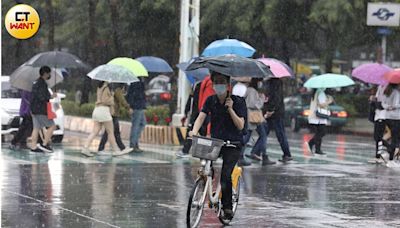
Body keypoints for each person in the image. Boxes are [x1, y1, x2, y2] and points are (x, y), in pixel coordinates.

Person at [189, 72, 247, 220]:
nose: (218, 85)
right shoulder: (211, 100)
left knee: (226, 175)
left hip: (233, 144)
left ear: (228, 85)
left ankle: (227, 208)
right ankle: (207, 186)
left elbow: (240, 125)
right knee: (206, 166)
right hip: (216, 142)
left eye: (221, 82)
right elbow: (201, 116)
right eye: (216, 82)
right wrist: (194, 131)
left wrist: (230, 109)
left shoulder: (238, 101)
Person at [81, 81, 132, 157]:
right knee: (110, 132)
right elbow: (105, 101)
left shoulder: (100, 87)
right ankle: (116, 151)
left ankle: (85, 148)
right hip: (104, 111)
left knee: (95, 132)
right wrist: (111, 98)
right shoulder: (106, 88)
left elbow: (101, 99)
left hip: (97, 110)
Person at [244, 79, 276, 165]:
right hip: (253, 115)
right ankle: (243, 155)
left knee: (261, 134)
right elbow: (252, 104)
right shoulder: (251, 90)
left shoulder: (252, 90)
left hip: (255, 116)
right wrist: (261, 99)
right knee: (258, 135)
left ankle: (262, 155)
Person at [263, 78, 293, 162]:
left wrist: (271, 110)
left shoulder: (275, 83)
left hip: (275, 113)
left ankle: (287, 154)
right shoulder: (270, 82)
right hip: (273, 112)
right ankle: (257, 152)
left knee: (278, 134)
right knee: (264, 133)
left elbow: (276, 98)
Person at [176, 81, 208, 158]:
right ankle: (185, 150)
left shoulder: (201, 85)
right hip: (194, 113)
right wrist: (186, 111)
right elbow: (190, 100)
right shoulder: (195, 85)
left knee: (201, 132)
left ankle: (186, 150)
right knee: (193, 131)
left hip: (198, 113)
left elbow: (197, 100)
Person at [30, 66, 57, 153]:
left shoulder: (35, 83)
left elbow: (35, 96)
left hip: (34, 109)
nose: (49, 75)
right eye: (49, 73)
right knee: (52, 126)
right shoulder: (42, 84)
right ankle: (44, 144)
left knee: (36, 128)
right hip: (41, 109)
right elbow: (42, 97)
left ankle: (33, 146)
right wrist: (51, 96)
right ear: (45, 73)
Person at [97, 84, 132, 153]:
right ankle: (102, 148)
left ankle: (121, 148)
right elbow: (122, 100)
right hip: (113, 113)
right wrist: (128, 108)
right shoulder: (117, 90)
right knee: (111, 132)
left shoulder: (114, 89)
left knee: (112, 132)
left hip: (113, 112)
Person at [305, 88, 333, 155]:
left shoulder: (315, 92)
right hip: (319, 116)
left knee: (319, 132)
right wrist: (329, 101)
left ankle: (318, 149)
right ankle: (311, 143)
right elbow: (321, 105)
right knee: (322, 132)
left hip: (315, 116)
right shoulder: (321, 93)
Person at [126, 77, 147, 152]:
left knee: (142, 123)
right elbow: (131, 94)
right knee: (136, 125)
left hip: (140, 106)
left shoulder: (140, 80)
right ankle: (133, 144)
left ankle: (135, 142)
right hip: (136, 106)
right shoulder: (135, 82)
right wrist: (130, 106)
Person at [381, 83, 400, 167]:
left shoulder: (386, 91)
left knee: (392, 137)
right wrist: (394, 107)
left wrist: (387, 107)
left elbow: (383, 104)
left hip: (387, 117)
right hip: (396, 117)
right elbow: (396, 105)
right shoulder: (396, 93)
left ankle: (389, 153)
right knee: (395, 139)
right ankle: (391, 159)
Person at [368, 85, 388, 163]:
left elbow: (382, 105)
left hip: (382, 116)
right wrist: (373, 99)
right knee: (377, 138)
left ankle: (390, 149)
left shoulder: (387, 88)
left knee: (378, 137)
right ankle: (378, 155)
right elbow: (377, 101)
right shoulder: (380, 87)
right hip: (378, 116)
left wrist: (374, 101)